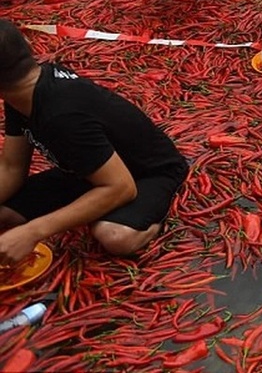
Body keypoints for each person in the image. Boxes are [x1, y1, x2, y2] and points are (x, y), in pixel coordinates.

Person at [0, 20, 189, 260]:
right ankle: (93, 200)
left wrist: (32, 231)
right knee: (4, 214)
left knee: (115, 236)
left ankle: (151, 221)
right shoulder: (21, 93)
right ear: (27, 46)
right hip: (88, 170)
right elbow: (11, 167)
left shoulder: (62, 115)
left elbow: (121, 187)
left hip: (148, 172)